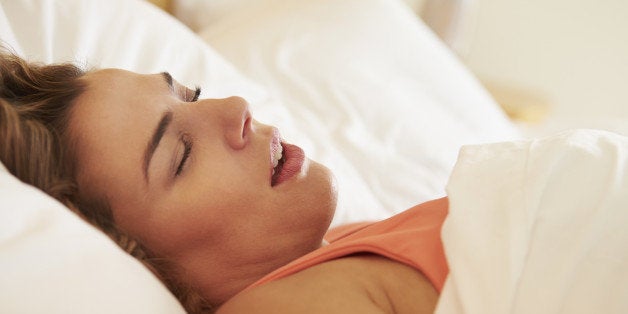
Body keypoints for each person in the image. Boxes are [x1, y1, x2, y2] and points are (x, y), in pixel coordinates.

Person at [0, 49, 448, 313]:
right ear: (141, 262)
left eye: (191, 96)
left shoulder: (338, 245)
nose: (236, 106)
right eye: (183, 155)